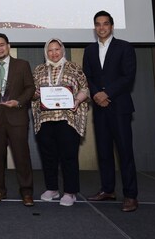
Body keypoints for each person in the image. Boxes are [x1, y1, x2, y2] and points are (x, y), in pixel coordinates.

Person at [83, 11, 138, 212]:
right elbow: (87, 77)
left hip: (119, 107)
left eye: (105, 24)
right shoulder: (89, 50)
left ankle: (131, 195)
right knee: (104, 152)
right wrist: (97, 94)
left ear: (112, 26)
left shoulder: (125, 47)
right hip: (99, 108)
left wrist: (106, 94)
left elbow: (128, 76)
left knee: (125, 152)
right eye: (98, 24)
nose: (101, 28)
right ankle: (107, 190)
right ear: (94, 28)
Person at [31, 38, 89, 207]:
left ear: (62, 50)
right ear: (45, 52)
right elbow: (32, 92)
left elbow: (85, 88)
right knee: (48, 156)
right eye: (50, 50)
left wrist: (77, 100)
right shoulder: (39, 70)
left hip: (67, 118)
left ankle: (70, 192)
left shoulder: (74, 67)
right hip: (45, 119)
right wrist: (34, 95)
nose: (54, 53)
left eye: (57, 49)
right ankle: (52, 188)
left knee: (68, 156)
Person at [0, 33, 35, 206]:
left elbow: (30, 88)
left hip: (17, 118)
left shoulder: (22, 65)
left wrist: (18, 102)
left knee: (22, 157)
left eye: (1, 45)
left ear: (8, 46)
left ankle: (27, 192)